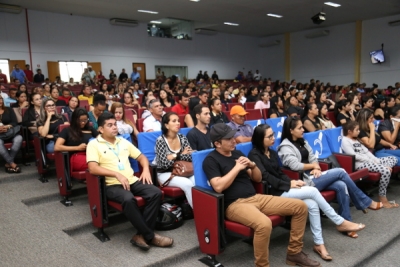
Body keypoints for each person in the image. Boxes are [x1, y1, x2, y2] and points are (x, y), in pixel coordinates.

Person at [203, 123, 320, 267]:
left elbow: (257, 178)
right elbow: (218, 186)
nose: (234, 141)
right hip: (235, 204)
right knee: (264, 224)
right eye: (228, 139)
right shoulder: (210, 160)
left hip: (256, 197)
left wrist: (252, 166)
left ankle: (294, 253)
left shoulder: (237, 153)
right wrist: (237, 167)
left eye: (233, 137)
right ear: (217, 143)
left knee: (300, 207)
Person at [249, 124, 366, 261]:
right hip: (273, 193)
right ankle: (339, 221)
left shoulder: (272, 152)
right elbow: (265, 176)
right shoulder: (254, 155)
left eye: (273, 135)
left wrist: (292, 182)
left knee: (312, 204)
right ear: (260, 138)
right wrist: (289, 184)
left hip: (284, 187)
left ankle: (319, 244)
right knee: (313, 191)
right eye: (269, 136)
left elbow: (280, 173)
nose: (273, 138)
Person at [278, 116, 380, 238]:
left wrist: (316, 167)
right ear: (291, 130)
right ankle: (364, 201)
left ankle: (345, 223)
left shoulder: (302, 141)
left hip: (316, 175)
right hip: (304, 180)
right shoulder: (285, 146)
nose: (303, 130)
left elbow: (313, 157)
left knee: (341, 185)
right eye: (300, 128)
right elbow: (295, 165)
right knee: (341, 172)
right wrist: (313, 166)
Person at [87, 112, 173, 250]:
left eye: (115, 124)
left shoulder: (123, 141)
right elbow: (92, 168)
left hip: (131, 180)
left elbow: (141, 157)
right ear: (101, 129)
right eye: (110, 125)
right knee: (128, 199)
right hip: (111, 184)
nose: (114, 127)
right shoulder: (94, 144)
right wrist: (116, 174)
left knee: (155, 192)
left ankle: (141, 235)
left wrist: (145, 169)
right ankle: (150, 236)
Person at [341, 121, 398, 208]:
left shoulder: (355, 139)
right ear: (349, 131)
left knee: (393, 158)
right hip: (360, 164)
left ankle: (385, 167)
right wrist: (375, 163)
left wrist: (377, 161)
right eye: (357, 130)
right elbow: (354, 156)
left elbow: (367, 152)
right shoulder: (345, 141)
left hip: (369, 161)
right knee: (386, 171)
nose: (359, 131)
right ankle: (382, 196)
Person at [154, 112, 195, 207]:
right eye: (174, 121)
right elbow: (164, 164)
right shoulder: (160, 141)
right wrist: (181, 154)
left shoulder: (182, 137)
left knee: (197, 181)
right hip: (165, 172)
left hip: (183, 170)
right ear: (166, 125)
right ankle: (199, 213)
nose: (178, 123)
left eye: (178, 121)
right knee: (187, 184)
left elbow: (189, 157)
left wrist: (173, 156)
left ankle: (207, 210)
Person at [0, 95, 23, 173]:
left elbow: (14, 122)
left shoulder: (9, 110)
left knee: (19, 138)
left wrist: (7, 126)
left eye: (1, 99)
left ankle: (8, 163)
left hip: (10, 132)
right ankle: (12, 164)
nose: (0, 101)